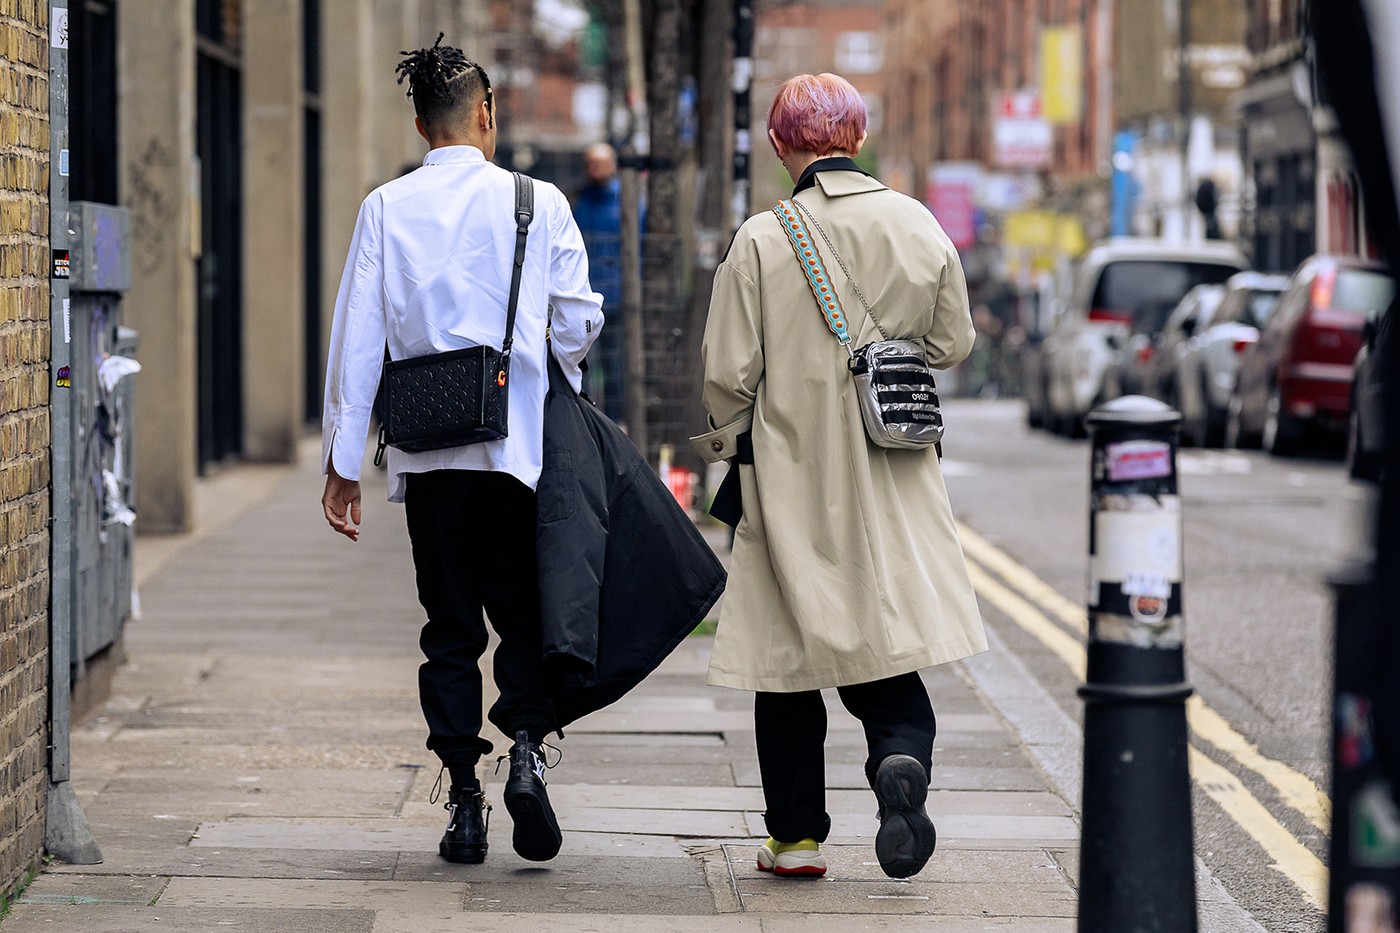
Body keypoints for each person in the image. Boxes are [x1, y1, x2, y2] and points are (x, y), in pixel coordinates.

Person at [692, 73, 987, 880]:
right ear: (856, 140)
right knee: (884, 638)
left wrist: (726, 450)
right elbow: (954, 341)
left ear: (784, 147)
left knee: (784, 660)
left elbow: (728, 373)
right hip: (891, 467)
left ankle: (795, 839)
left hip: (791, 474)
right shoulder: (918, 224)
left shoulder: (760, 238)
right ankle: (899, 757)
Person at [319, 35, 604, 866]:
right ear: (487, 115)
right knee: (522, 618)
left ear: (418, 124)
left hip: (427, 454)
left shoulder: (385, 206)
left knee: (448, 630)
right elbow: (578, 320)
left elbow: (359, 338)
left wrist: (343, 462)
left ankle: (465, 802)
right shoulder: (537, 201)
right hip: (514, 457)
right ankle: (524, 751)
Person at [571, 142, 626, 422]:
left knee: (615, 367)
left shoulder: (624, 204)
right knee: (588, 365)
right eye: (590, 162)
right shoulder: (581, 204)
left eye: (600, 163)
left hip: (616, 297)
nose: (594, 169)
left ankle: (615, 420)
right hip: (586, 296)